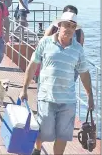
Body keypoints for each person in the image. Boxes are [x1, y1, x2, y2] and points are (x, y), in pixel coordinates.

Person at [19, 11, 94, 155]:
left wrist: (89, 95)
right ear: (59, 25)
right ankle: (37, 147)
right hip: (47, 98)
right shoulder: (45, 42)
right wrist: (24, 89)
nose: (70, 29)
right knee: (45, 132)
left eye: (73, 27)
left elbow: (84, 73)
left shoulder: (78, 49)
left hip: (68, 101)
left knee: (62, 136)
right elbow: (33, 65)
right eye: (67, 25)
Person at [42, 5, 85, 82]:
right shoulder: (54, 27)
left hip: (71, 65)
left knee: (68, 86)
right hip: (54, 62)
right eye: (68, 14)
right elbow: (44, 41)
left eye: (73, 15)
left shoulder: (79, 32)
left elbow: (80, 49)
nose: (70, 18)